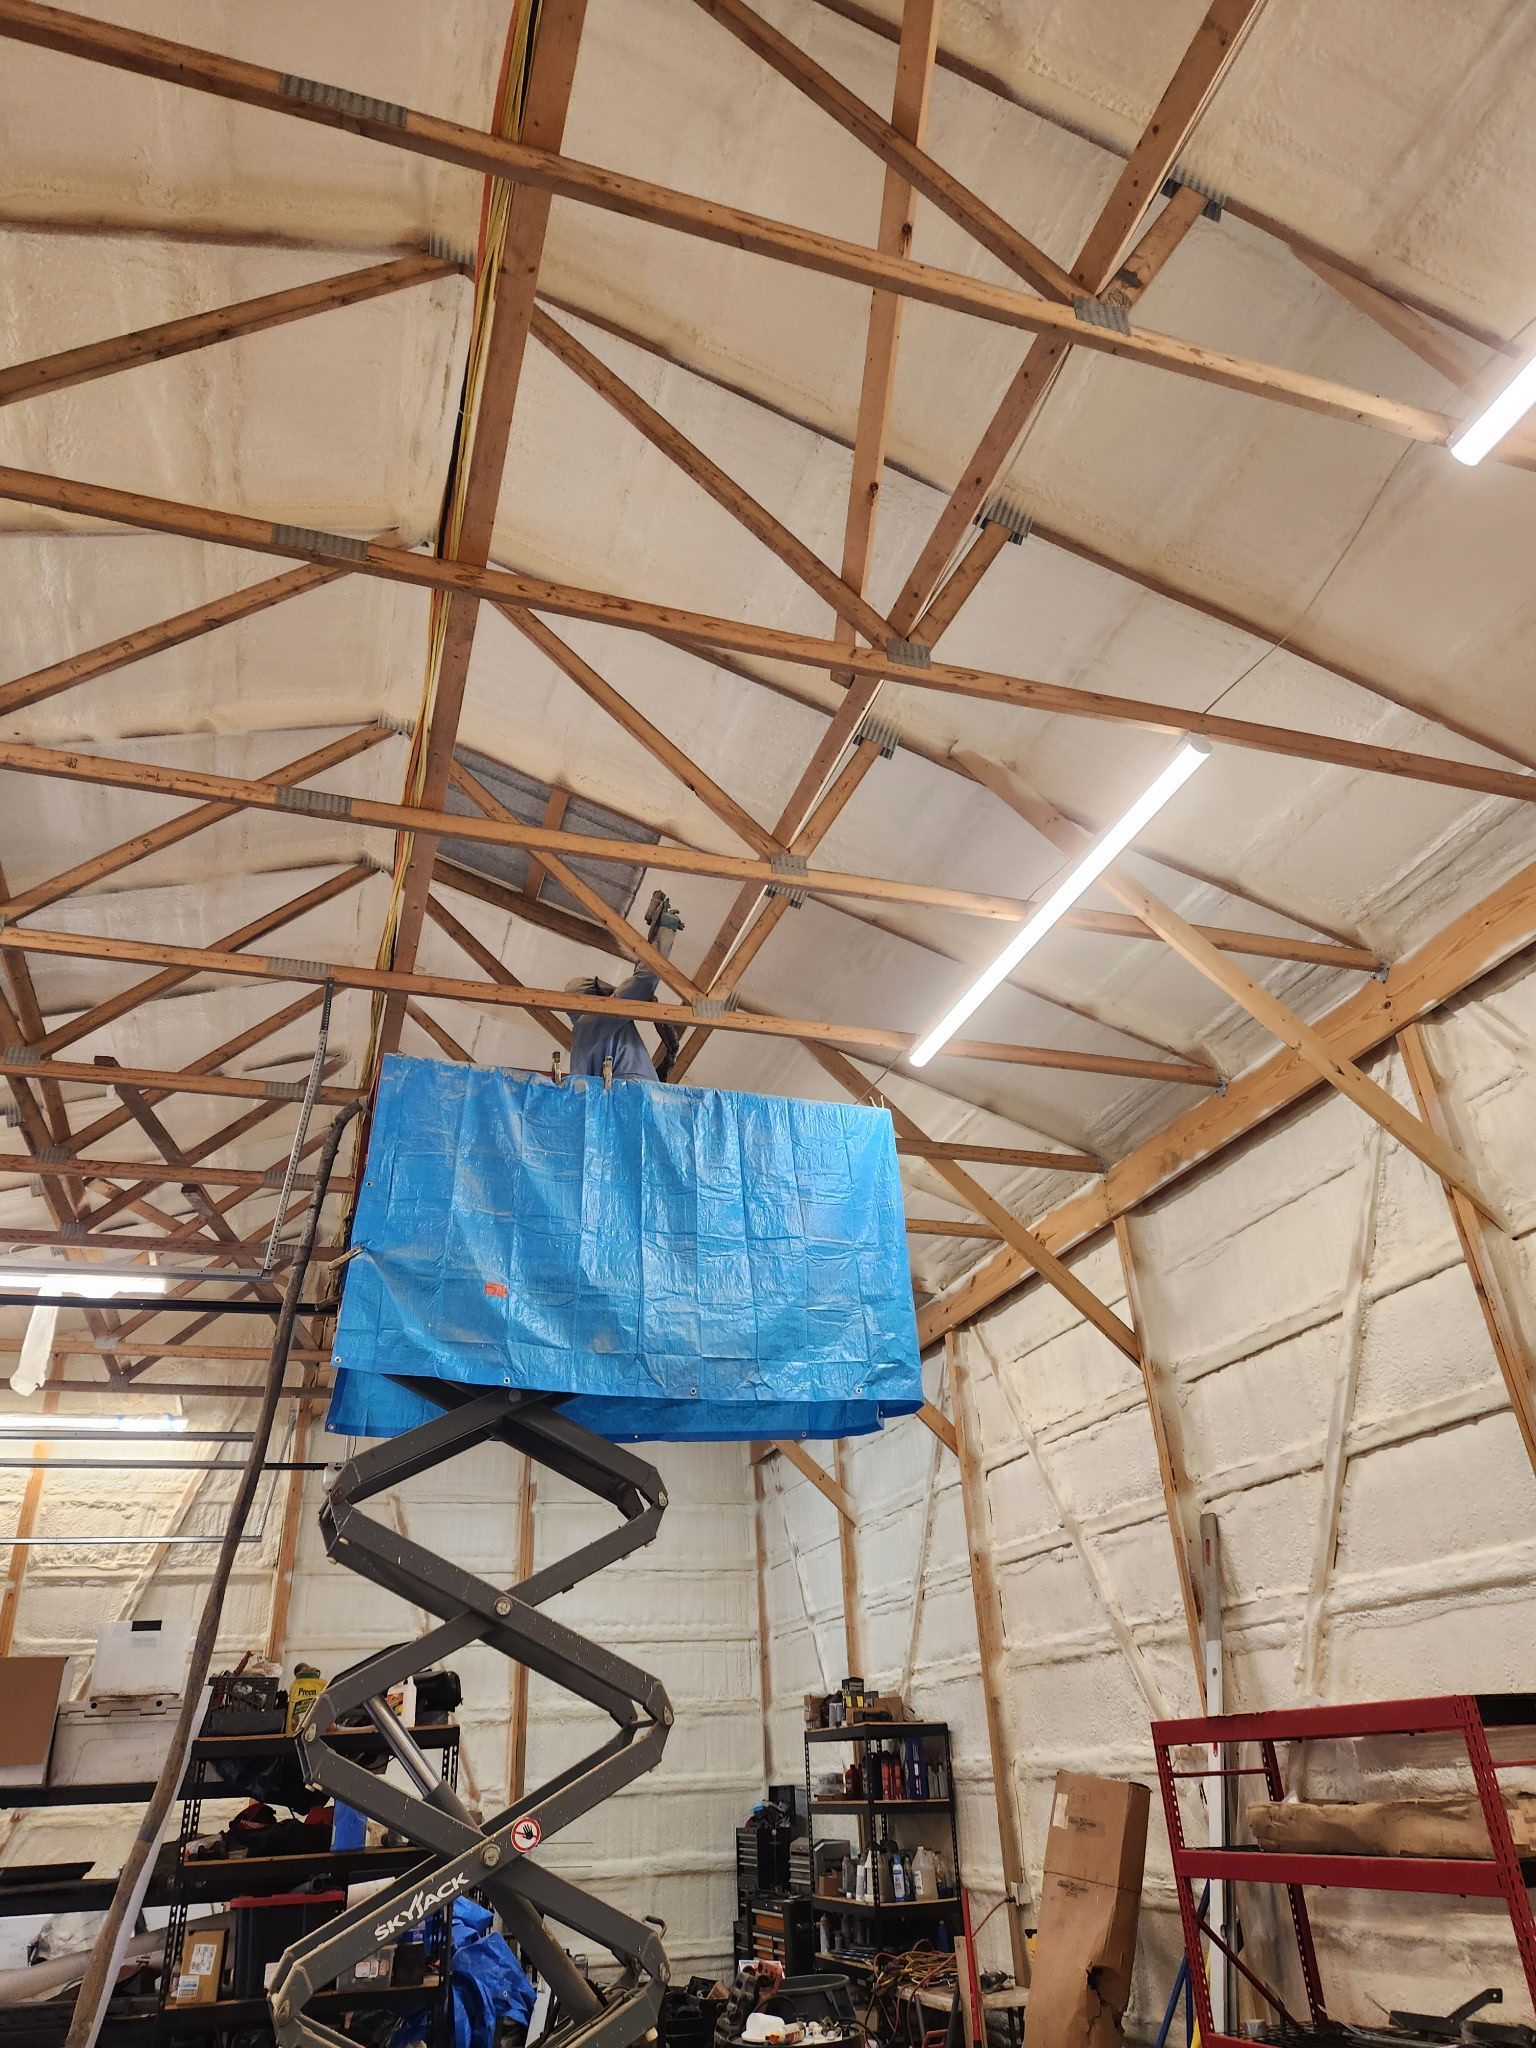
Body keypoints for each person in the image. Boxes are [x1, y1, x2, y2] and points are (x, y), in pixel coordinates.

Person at [564, 893, 684, 1082]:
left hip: (632, 1098)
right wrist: (665, 932)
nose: (611, 996)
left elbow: (635, 991)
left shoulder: (589, 1034)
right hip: (634, 1093)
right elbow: (643, 982)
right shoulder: (594, 1023)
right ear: (593, 1000)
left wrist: (652, 937)